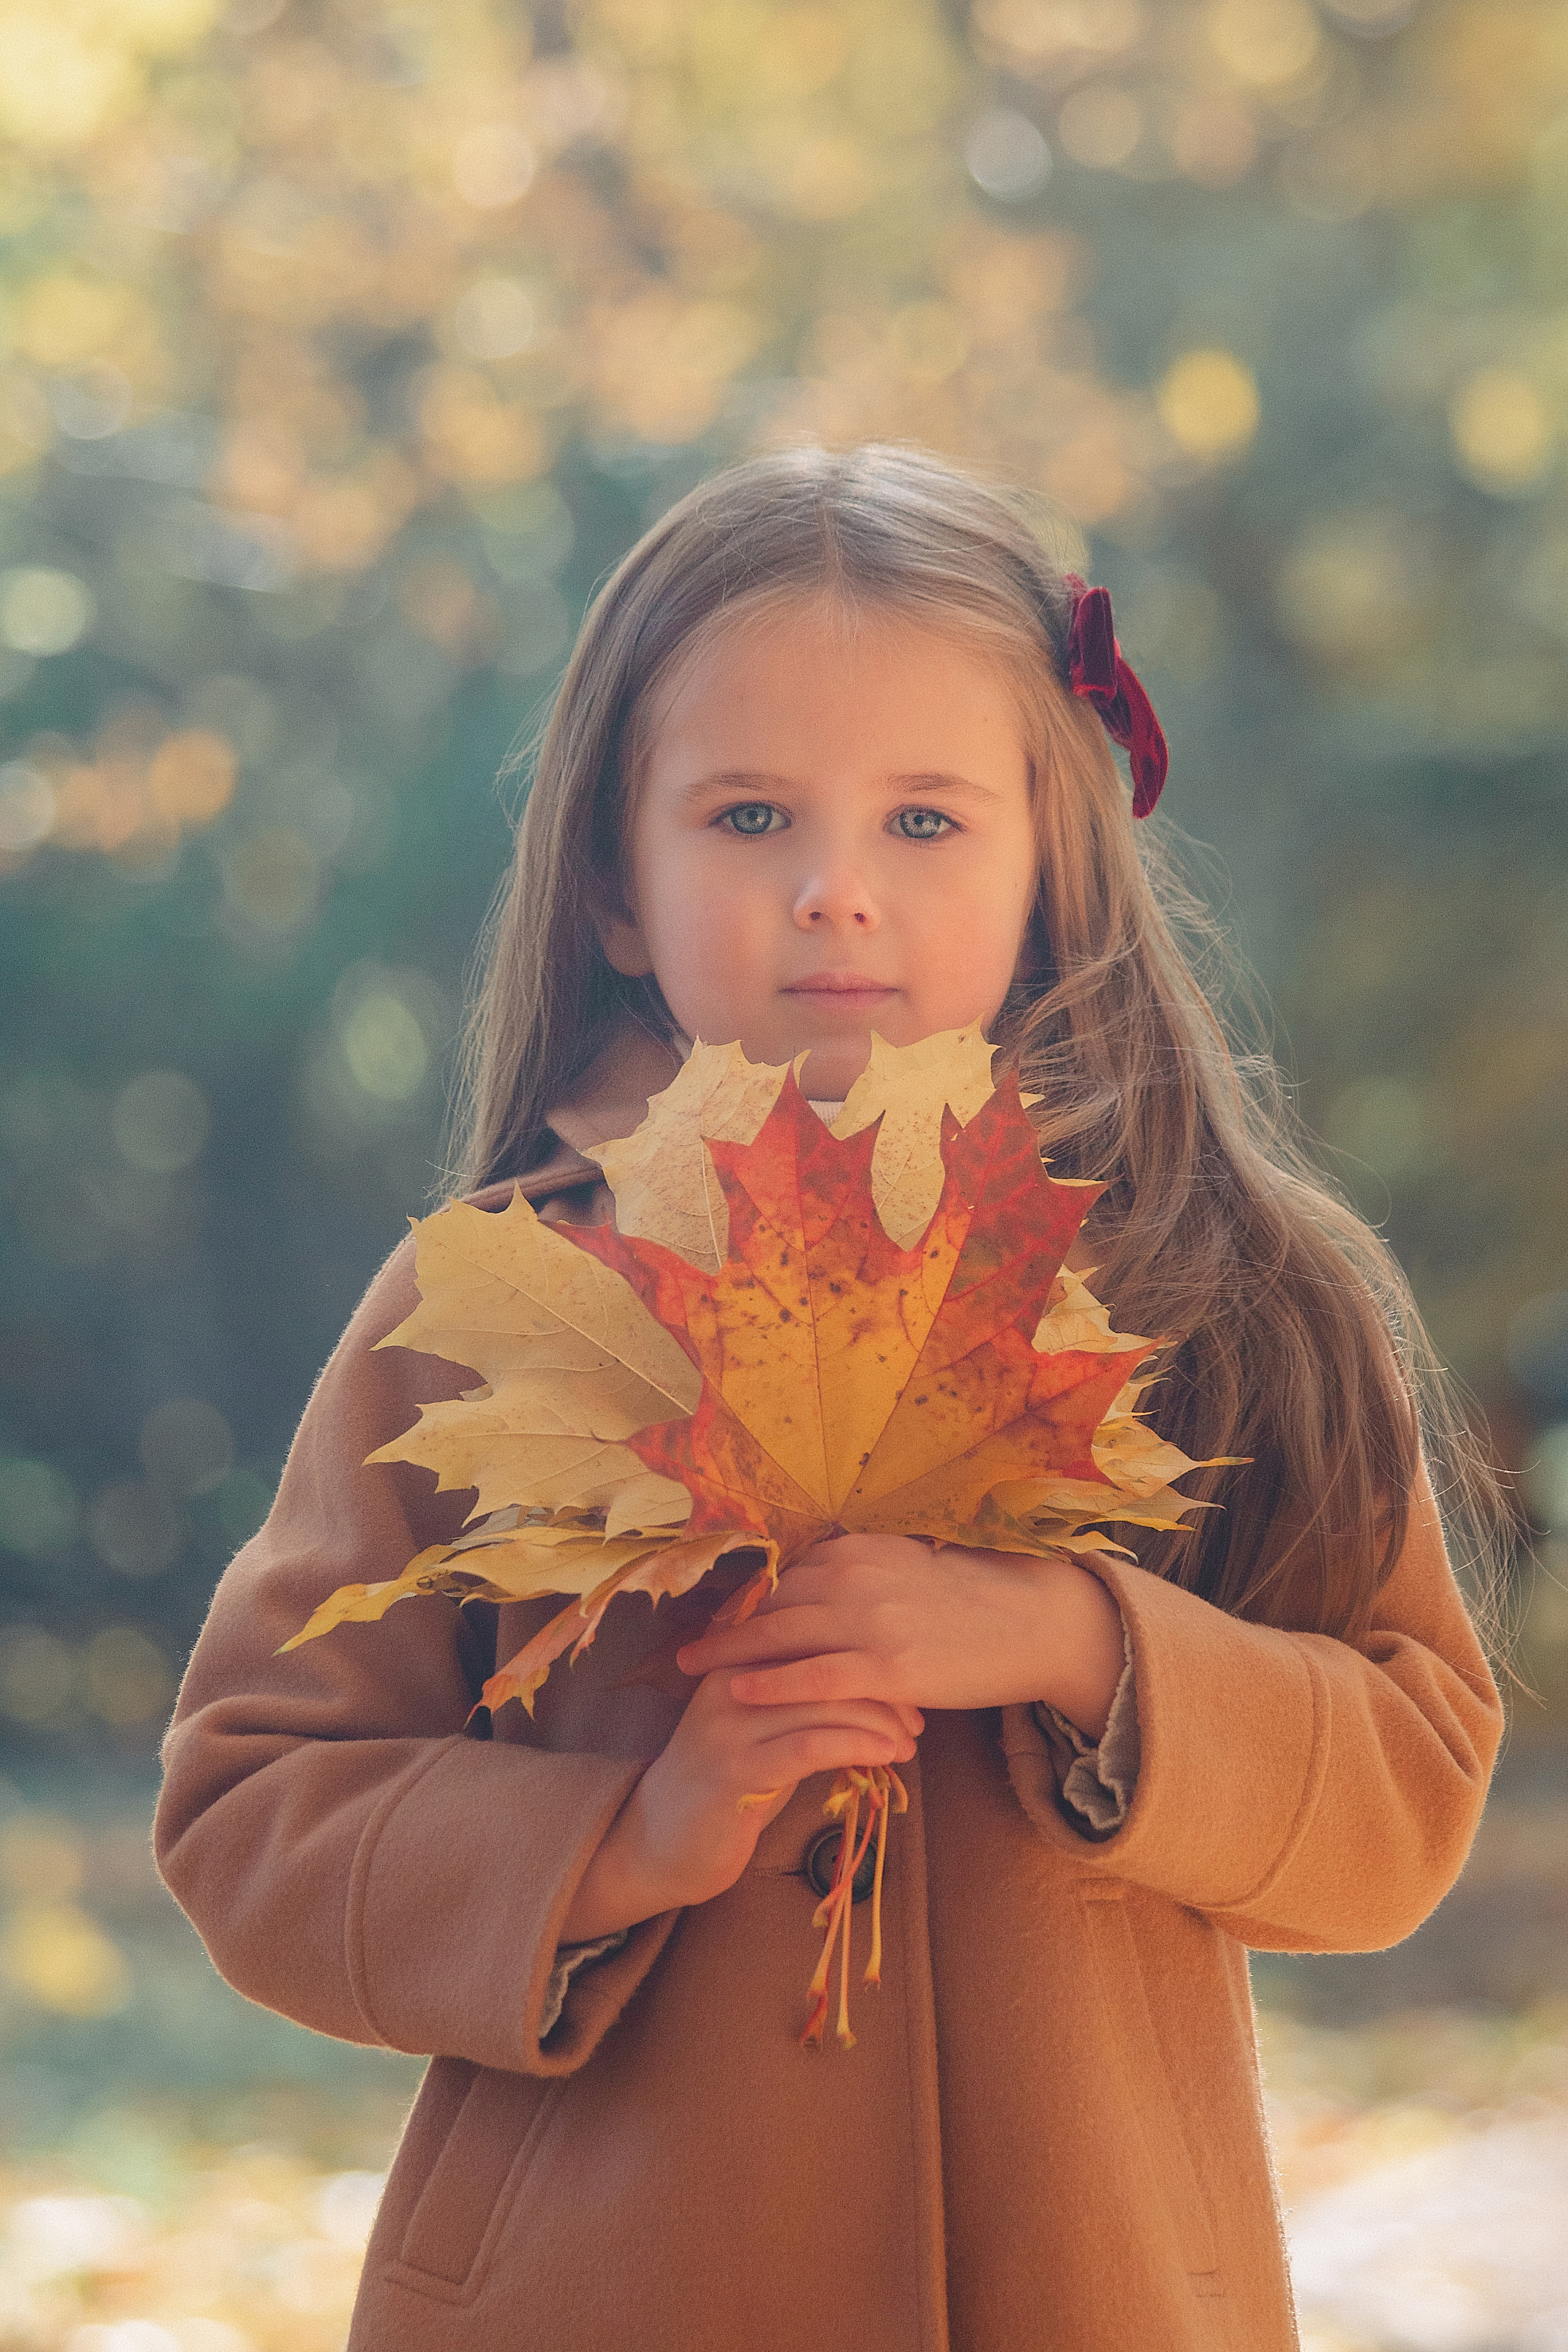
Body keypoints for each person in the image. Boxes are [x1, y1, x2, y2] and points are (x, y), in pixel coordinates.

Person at [154, 445, 1504, 2352]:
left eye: (928, 825)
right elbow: (253, 1801)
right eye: (750, 814)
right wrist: (623, 1838)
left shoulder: (1220, 1295)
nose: (834, 895)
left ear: (1056, 862)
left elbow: (1407, 1786)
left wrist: (1075, 1640)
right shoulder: (502, 1301)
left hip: (1097, 2289)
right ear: (617, 887)